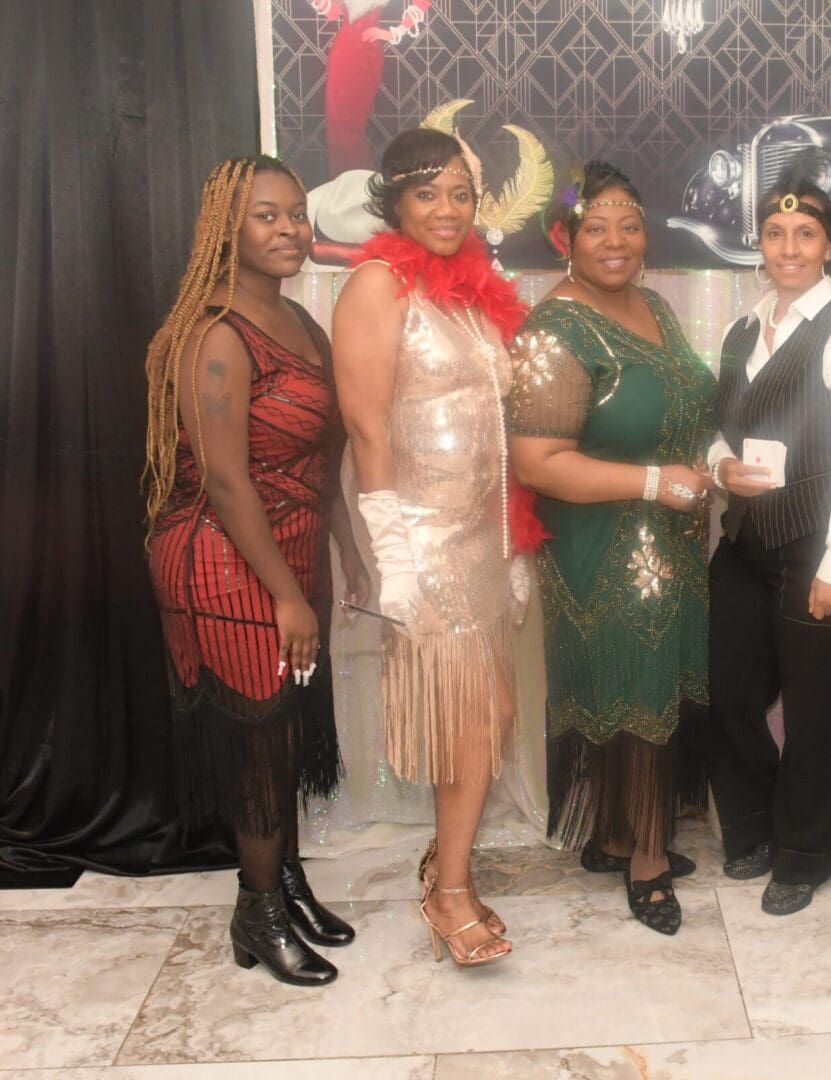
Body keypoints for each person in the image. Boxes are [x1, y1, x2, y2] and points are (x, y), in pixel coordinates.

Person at [144, 155, 368, 987]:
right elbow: (228, 480)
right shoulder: (214, 334)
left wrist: (349, 551)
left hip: (292, 546)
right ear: (226, 230)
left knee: (289, 731)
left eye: (298, 215)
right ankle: (258, 910)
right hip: (222, 556)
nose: (290, 231)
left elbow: (321, 458)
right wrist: (284, 593)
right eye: (267, 216)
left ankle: (285, 882)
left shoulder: (305, 326)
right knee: (261, 739)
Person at [331, 127, 527, 967]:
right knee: (466, 722)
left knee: (494, 714)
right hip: (426, 541)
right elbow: (366, 429)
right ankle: (448, 890)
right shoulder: (377, 287)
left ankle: (448, 864)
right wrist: (395, 558)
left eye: (459, 193)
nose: (446, 210)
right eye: (426, 194)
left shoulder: (472, 294)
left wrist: (515, 540)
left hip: (484, 539)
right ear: (395, 202)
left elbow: (499, 429)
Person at [510, 161, 715, 935]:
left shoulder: (652, 303)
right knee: (634, 689)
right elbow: (537, 462)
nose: (617, 240)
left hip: (669, 539)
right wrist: (661, 484)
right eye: (597, 225)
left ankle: (623, 832)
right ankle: (649, 866)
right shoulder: (555, 328)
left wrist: (696, 481)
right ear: (564, 237)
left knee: (654, 687)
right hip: (606, 544)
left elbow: (683, 403)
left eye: (629, 224)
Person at [707, 161, 831, 916]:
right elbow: (716, 426)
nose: (788, 247)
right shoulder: (741, 327)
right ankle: (750, 827)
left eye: (805, 234)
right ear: (759, 242)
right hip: (748, 544)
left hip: (819, 545)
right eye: (776, 233)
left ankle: (806, 852)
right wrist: (720, 466)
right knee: (726, 692)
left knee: (817, 710)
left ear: (828, 246)